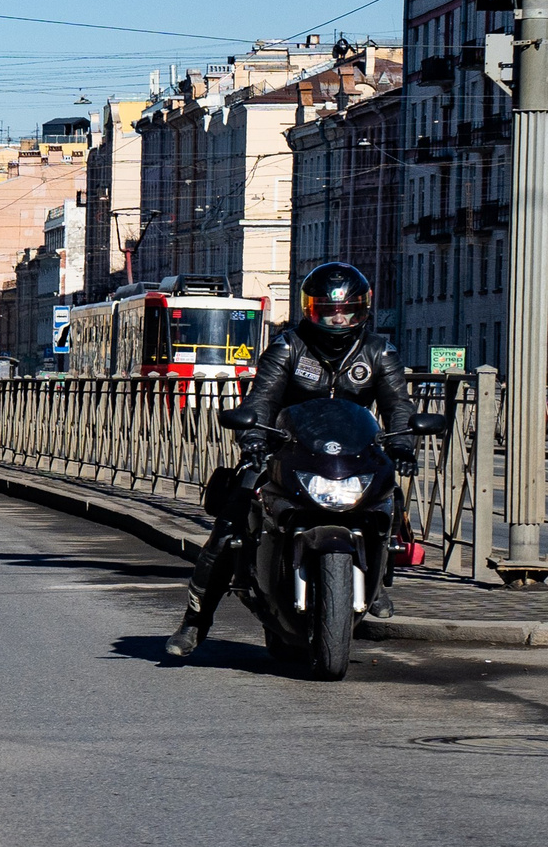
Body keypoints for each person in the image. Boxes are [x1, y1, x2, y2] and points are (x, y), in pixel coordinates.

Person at [165, 260, 417, 658]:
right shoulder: (288, 347)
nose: (337, 320)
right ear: (308, 310)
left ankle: (378, 580)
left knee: (389, 500)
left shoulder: (379, 350)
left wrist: (404, 442)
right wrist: (252, 438)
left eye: (346, 310)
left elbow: (398, 404)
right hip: (288, 450)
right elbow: (262, 398)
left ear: (362, 309)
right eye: (326, 311)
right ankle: (196, 621)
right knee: (230, 526)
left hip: (352, 455)